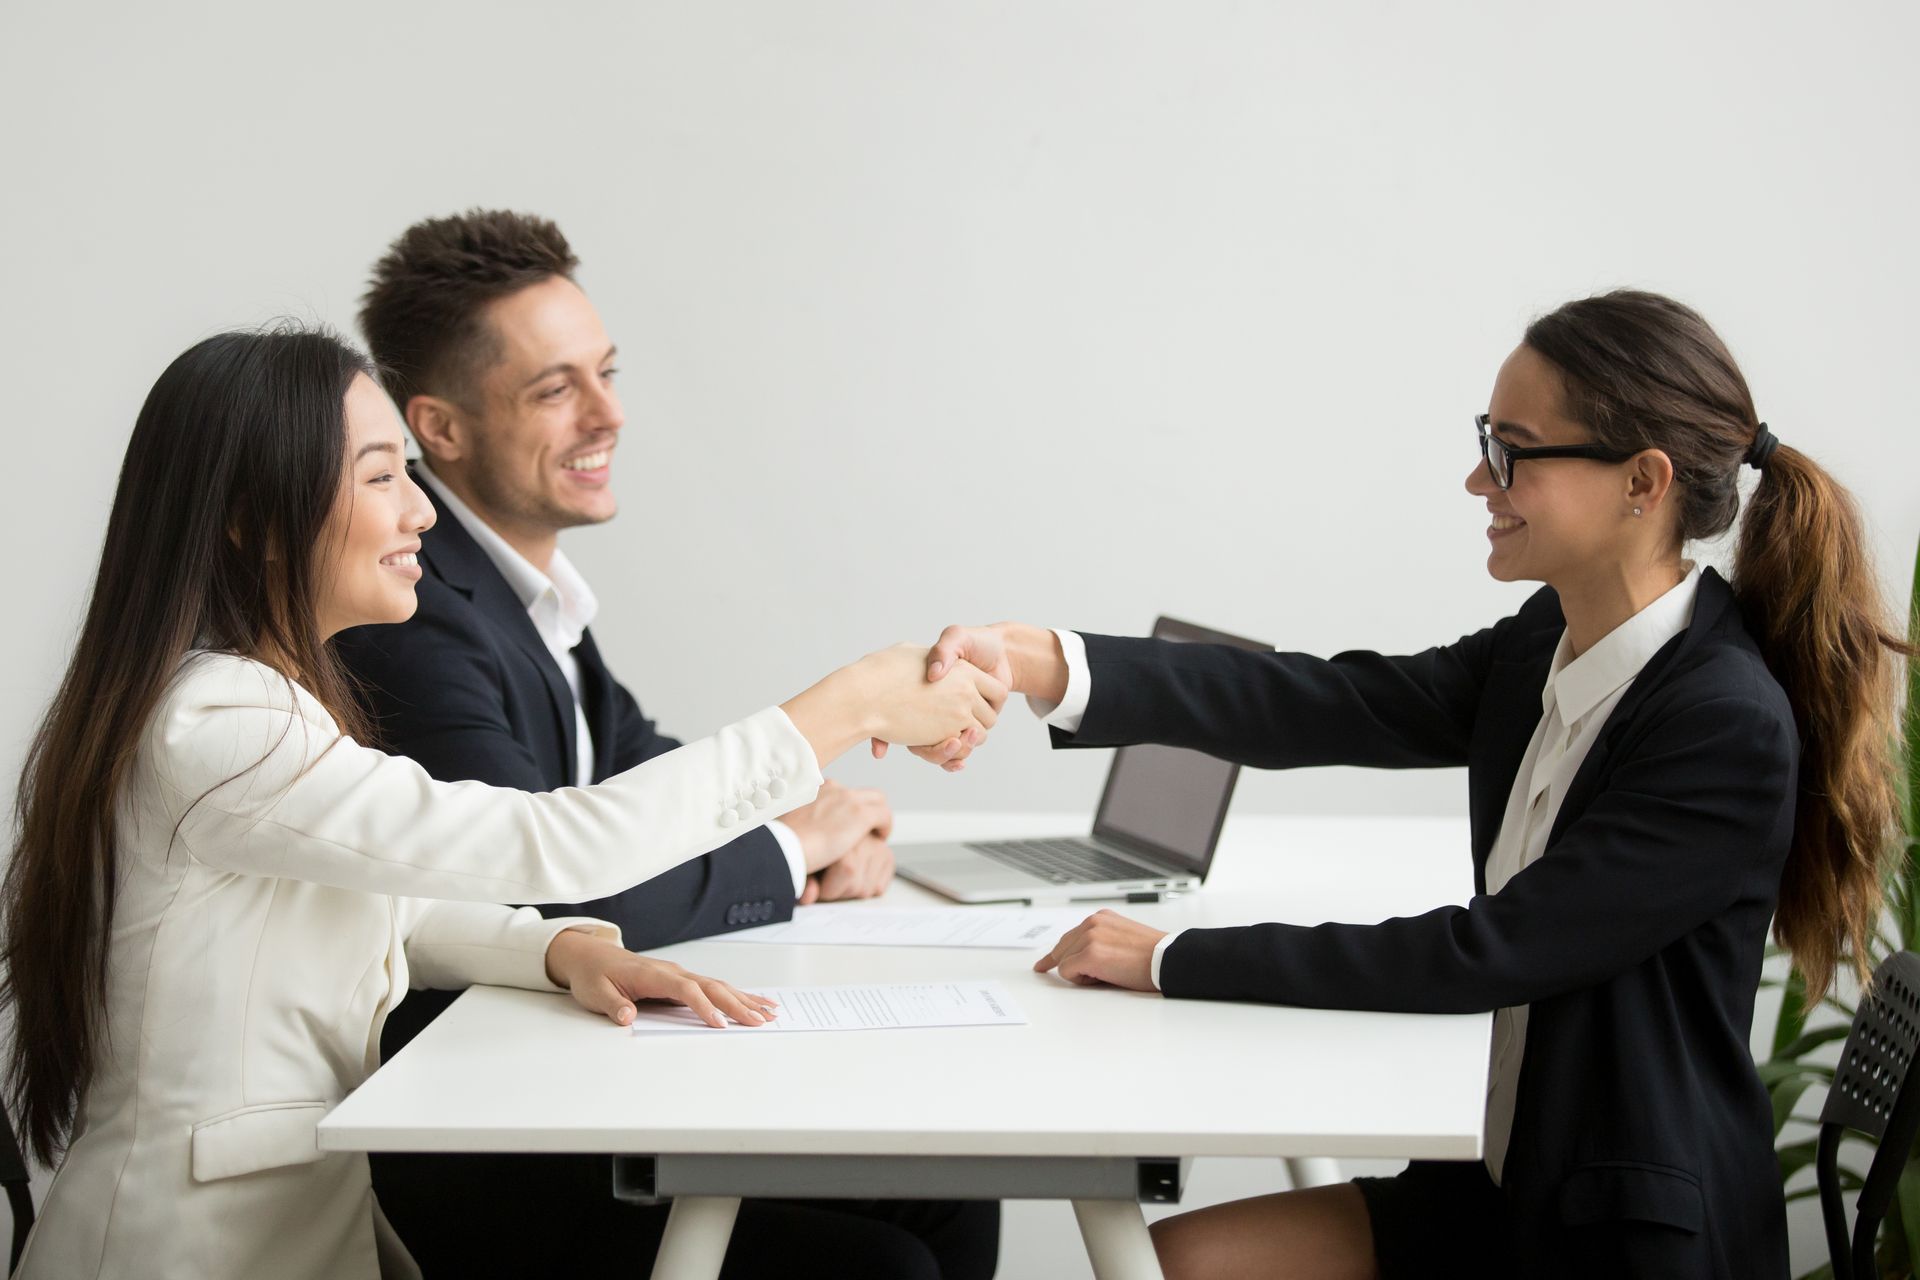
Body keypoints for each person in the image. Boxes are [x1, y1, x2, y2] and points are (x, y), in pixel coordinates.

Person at [911, 291, 1909, 1278]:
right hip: (1503, 1186)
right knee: (1163, 1262)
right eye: (1487, 438)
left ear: (1641, 483)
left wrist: (1172, 958)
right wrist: (1049, 660)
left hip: (1621, 1230)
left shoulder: (1719, 724)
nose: (1480, 478)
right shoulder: (1545, 648)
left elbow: (1488, 950)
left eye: (1513, 449)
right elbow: (1331, 700)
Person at [0, 326, 1003, 1280]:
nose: (422, 513)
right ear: (253, 522)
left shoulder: (265, 705)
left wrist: (560, 950)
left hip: (296, 1225)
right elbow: (552, 842)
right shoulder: (218, 725)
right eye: (382, 476)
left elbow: (387, 898)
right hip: (189, 1250)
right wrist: (846, 704)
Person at [333, 209, 998, 1279]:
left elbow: (646, 764)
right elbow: (536, 884)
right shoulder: (415, 614)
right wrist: (794, 851)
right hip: (480, 1123)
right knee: (883, 1265)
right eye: (556, 389)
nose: (609, 413)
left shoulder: (526, 592)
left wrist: (817, 823)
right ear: (440, 428)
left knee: (951, 1189)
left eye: (606, 372)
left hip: (570, 1064)